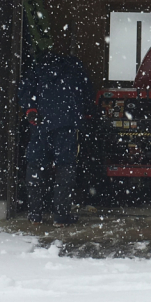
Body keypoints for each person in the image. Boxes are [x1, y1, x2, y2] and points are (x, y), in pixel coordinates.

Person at [18, 41, 94, 224]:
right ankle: (60, 215)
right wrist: (87, 114)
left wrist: (31, 110)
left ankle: (35, 214)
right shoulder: (74, 68)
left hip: (40, 124)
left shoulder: (37, 67)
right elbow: (87, 93)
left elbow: (24, 90)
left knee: (35, 165)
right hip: (67, 124)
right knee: (65, 167)